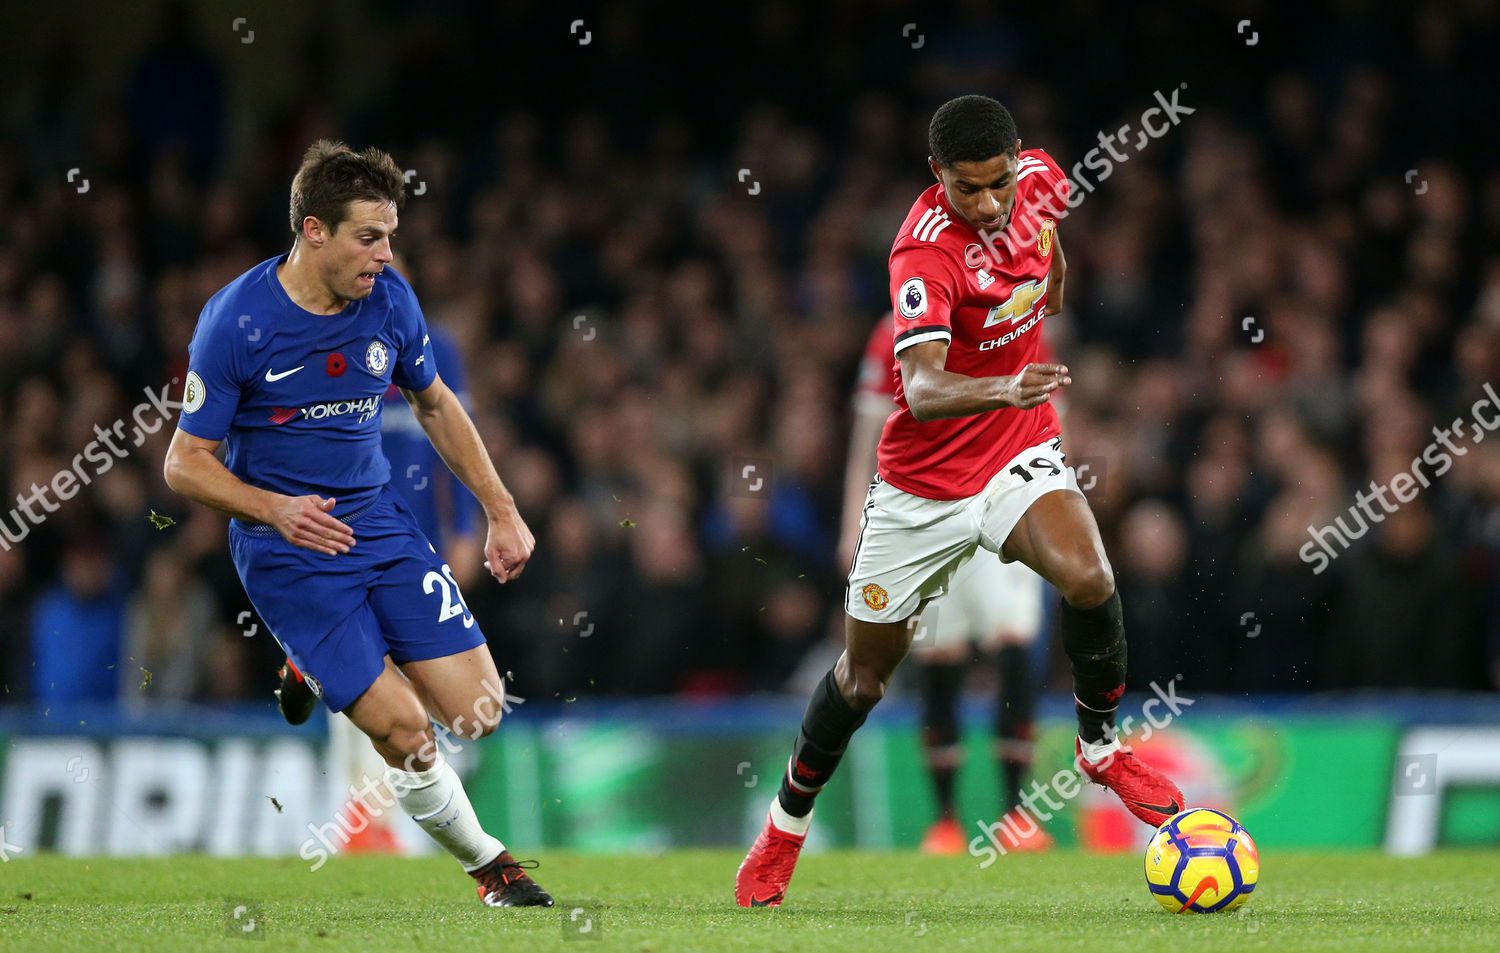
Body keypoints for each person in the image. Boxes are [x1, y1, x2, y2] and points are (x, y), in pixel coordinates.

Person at [736, 95, 1184, 907]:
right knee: (864, 678)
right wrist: (1010, 382)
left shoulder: (1043, 182)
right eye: (968, 188)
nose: (986, 203)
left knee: (1089, 575)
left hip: (1018, 449)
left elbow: (1049, 258)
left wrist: (1049, 295)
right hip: (921, 487)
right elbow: (923, 384)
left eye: (998, 183)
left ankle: (1099, 747)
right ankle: (783, 829)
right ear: (937, 174)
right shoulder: (922, 254)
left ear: (1020, 159)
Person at [163, 140, 552, 907]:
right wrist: (275, 507)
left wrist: (501, 510)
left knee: (480, 713)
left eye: (391, 235)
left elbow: (436, 403)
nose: (385, 253)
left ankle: (317, 663)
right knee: (408, 731)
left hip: (377, 521)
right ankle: (491, 867)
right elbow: (183, 463)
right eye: (369, 237)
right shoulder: (237, 321)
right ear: (314, 231)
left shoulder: (390, 301)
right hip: (288, 549)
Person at [840, 315, 1052, 855]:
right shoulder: (890, 330)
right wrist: (853, 523)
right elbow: (869, 426)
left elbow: (1052, 413)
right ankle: (946, 822)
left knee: (1012, 643)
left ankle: (1016, 815)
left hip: (1005, 501)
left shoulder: (1014, 312)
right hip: (926, 514)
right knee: (940, 655)